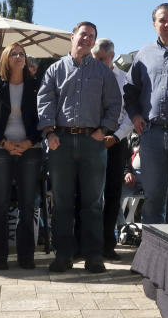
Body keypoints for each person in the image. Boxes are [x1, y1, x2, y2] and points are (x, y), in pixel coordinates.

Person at [37, 21, 121, 273]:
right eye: (82, 34)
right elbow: (44, 100)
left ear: (94, 42)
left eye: (91, 36)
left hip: (92, 143)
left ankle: (94, 256)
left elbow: (115, 104)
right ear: (72, 37)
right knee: (62, 203)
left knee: (94, 203)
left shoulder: (103, 72)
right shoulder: (54, 70)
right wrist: (49, 131)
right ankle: (63, 255)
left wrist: (104, 129)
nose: (86, 39)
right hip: (60, 142)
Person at [124, 3, 168, 225]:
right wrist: (135, 115)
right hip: (151, 135)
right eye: (162, 20)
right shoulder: (143, 54)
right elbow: (129, 89)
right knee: (154, 198)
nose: (167, 24)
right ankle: (154, 254)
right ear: (154, 24)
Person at [0, 42, 43, 270]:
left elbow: (44, 118)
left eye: (22, 54)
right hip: (1, 148)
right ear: (6, 59)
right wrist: (6, 144)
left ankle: (26, 257)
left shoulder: (36, 85)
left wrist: (29, 142)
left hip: (31, 148)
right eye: (14, 53)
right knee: (0, 203)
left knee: (27, 205)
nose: (19, 56)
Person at [90, 38, 133, 261]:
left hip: (116, 141)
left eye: (101, 59)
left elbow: (129, 114)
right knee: (89, 194)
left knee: (113, 194)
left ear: (112, 57)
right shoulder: (88, 76)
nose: (97, 62)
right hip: (91, 139)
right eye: (94, 58)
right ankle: (87, 243)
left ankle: (108, 244)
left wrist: (115, 137)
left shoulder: (124, 79)